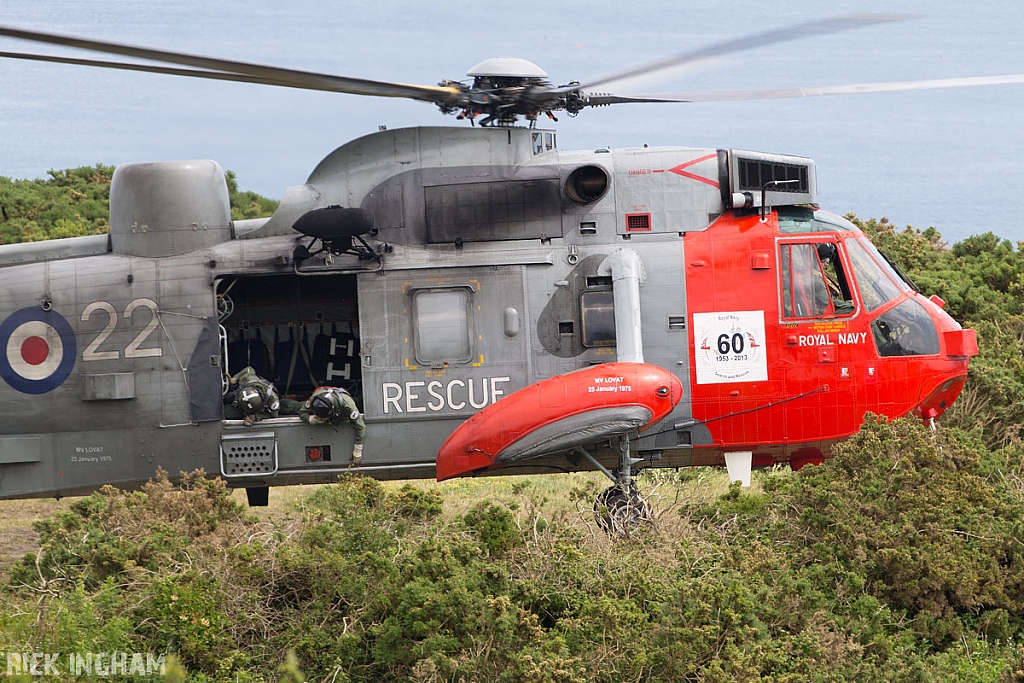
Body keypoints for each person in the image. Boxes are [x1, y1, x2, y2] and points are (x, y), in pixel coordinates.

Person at [299, 386, 366, 464]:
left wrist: (358, 449)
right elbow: (302, 412)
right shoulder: (314, 399)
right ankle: (284, 402)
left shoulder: (348, 406)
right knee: (295, 406)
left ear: (330, 412)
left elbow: (360, 427)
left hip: (341, 412)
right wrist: (310, 419)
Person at [224, 366, 300, 425]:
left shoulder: (272, 399)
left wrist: (256, 417)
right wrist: (235, 378)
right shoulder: (247, 379)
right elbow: (249, 369)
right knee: (223, 400)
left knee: (225, 413)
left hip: (256, 409)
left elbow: (274, 414)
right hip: (239, 397)